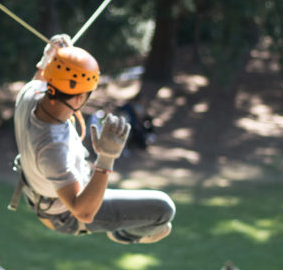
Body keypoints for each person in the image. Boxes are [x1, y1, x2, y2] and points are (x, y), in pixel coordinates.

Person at [12, 34, 175, 244]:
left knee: (160, 220)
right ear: (80, 98)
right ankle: (123, 233)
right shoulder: (52, 148)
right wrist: (106, 157)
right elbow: (83, 212)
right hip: (68, 216)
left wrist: (51, 58)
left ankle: (127, 226)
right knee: (164, 209)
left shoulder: (29, 94)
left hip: (45, 195)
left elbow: (40, 78)